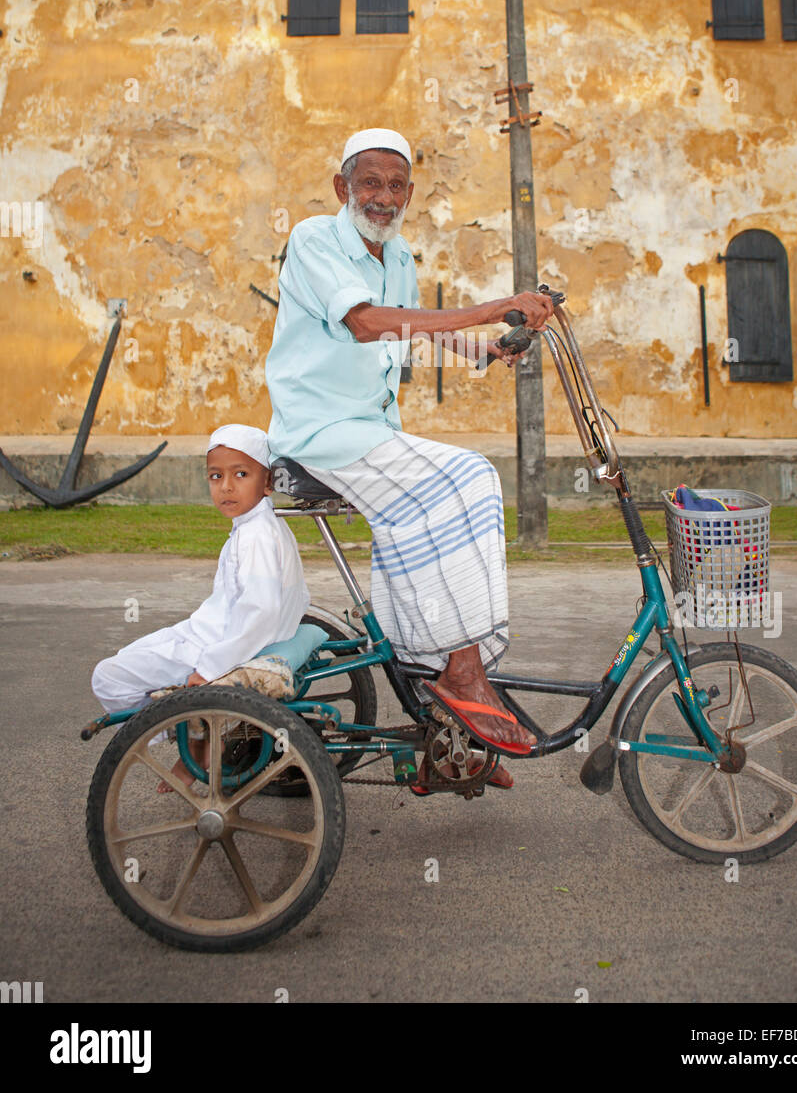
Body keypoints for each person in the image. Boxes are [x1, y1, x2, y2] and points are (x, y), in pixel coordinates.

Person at [265, 128, 554, 788]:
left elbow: (409, 322)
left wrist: (480, 350)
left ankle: (445, 725)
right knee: (469, 476)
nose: (383, 196)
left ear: (409, 195)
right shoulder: (315, 240)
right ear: (344, 188)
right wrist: (489, 308)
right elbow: (366, 323)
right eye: (370, 182)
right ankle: (461, 671)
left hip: (368, 428)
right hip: (318, 433)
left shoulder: (399, 255)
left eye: (396, 186)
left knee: (425, 517)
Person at [91, 424, 310, 791]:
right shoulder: (258, 527)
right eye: (216, 476)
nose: (226, 486)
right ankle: (197, 732)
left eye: (241, 474)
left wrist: (210, 667)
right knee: (130, 655)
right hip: (210, 632)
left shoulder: (255, 536)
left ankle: (196, 738)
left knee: (108, 676)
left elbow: (261, 611)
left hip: (217, 646)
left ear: (267, 483)